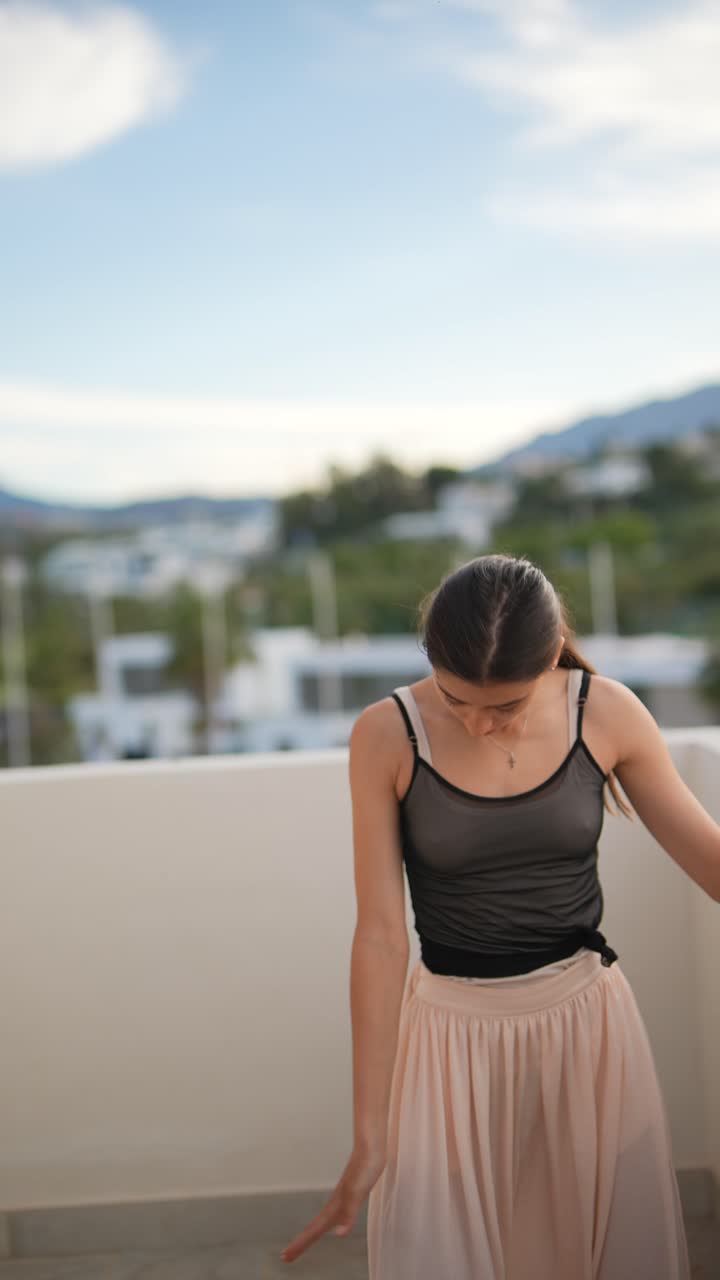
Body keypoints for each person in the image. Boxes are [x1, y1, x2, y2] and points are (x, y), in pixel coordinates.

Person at [280, 553, 716, 1277]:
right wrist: (369, 1137)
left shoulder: (605, 712)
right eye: (457, 700)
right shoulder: (386, 733)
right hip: (450, 1034)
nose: (479, 725)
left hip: (587, 1026)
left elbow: (712, 866)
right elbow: (381, 938)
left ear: (551, 658)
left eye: (506, 707)